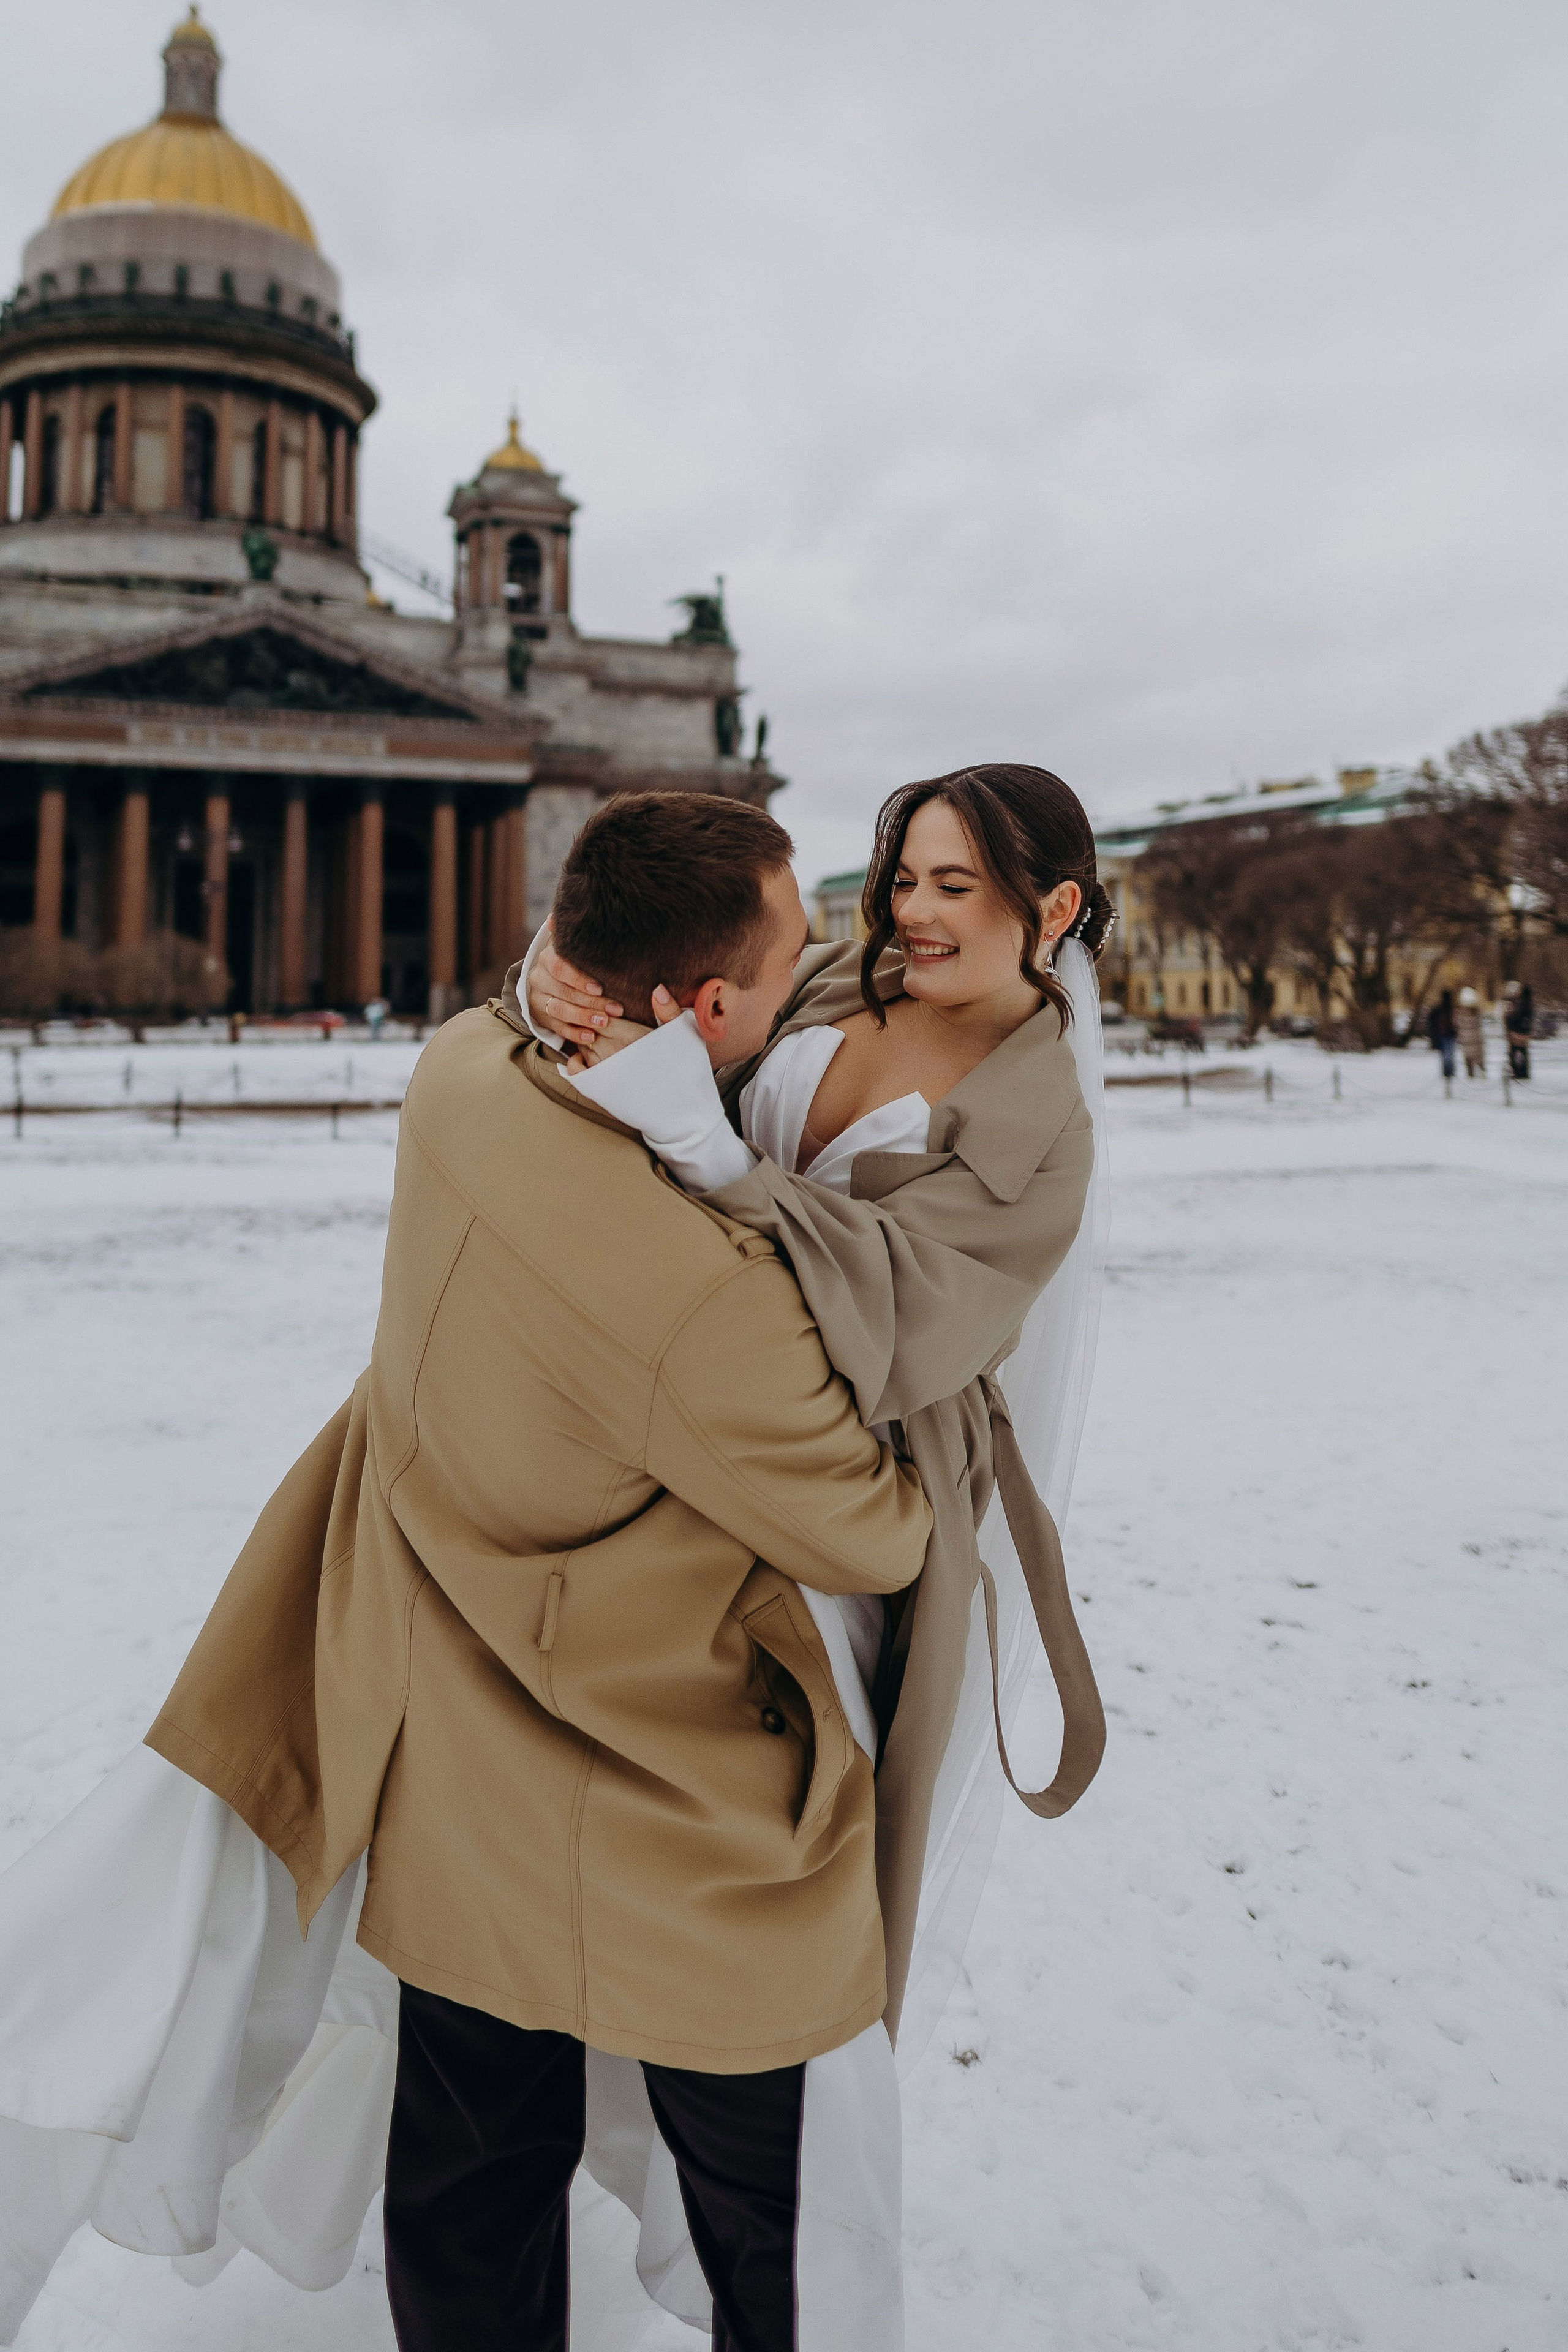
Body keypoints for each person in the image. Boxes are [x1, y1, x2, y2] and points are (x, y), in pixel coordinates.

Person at [0, 793, 934, 2352]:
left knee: (468, 2190)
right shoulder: (710, 1301)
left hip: (459, 1786)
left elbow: (527, 1009)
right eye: (786, 967)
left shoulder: (461, 1075)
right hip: (680, 1819)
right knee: (766, 2214)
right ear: (699, 1009)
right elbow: (875, 1530)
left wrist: (536, 981)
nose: (811, 985)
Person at [524, 761, 1112, 2079]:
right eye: (902, 876)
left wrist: (717, 1162)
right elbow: (680, 1001)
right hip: (648, 1415)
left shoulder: (1044, 1135)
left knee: (738, 1846)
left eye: (953, 885)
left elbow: (905, 1330)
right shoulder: (839, 985)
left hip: (825, 1494)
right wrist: (554, 994)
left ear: (1054, 906)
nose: (909, 909)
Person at [1504, 979, 1533, 1080]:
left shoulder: (1520, 1004)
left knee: (1516, 1052)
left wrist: (1509, 1018)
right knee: (1522, 1052)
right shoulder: (1527, 1003)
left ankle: (1519, 1071)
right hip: (1523, 1032)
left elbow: (1516, 1018)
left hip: (1517, 1032)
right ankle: (1522, 1071)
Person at [1427, 989, 1457, 1080]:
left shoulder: (1443, 1009)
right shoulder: (1446, 1009)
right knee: (1448, 1054)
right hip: (1445, 1034)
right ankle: (1448, 1071)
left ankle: (1449, 1071)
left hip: (1446, 1034)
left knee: (1447, 1054)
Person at [1455, 986, 1485, 1079]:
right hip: (1474, 1040)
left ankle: (1471, 1072)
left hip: (1468, 1040)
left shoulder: (1461, 1013)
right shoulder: (1476, 1013)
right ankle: (1480, 1070)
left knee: (1469, 1057)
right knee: (1478, 1057)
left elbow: (1457, 1024)